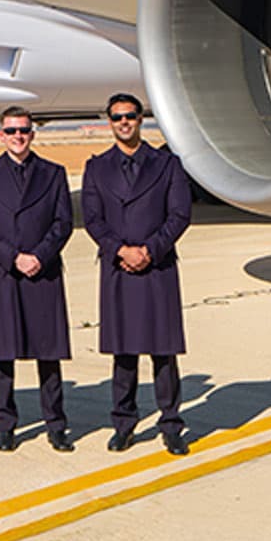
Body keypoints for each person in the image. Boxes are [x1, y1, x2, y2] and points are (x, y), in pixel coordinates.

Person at [80, 92, 194, 456]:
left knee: (163, 352)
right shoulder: (97, 167)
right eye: (117, 117)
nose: (124, 122)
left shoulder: (167, 164)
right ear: (109, 122)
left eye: (130, 115)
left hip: (156, 266)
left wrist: (149, 249)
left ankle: (171, 424)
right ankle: (123, 425)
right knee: (124, 353)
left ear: (141, 119)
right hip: (119, 268)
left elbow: (179, 215)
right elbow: (93, 219)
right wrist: (121, 250)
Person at [0, 106, 77, 453]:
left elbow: (63, 223)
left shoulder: (53, 173)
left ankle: (56, 424)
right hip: (5, 271)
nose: (19, 136)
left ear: (32, 134)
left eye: (24, 130)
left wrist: (39, 255)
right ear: (1, 135)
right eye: (12, 130)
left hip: (42, 270)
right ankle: (6, 424)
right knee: (4, 353)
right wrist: (13, 257)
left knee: (49, 353)